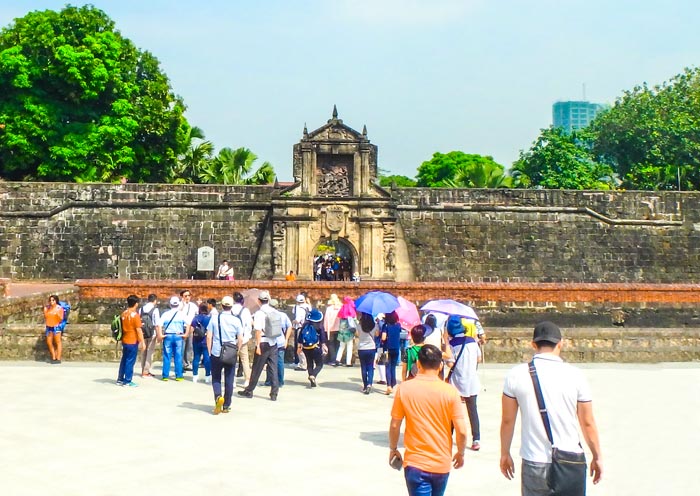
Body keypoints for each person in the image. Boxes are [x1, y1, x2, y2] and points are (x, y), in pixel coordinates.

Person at [500, 321, 603, 495]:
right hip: (569, 459)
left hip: (534, 460)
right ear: (560, 343)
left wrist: (505, 453)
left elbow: (508, 420)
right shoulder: (576, 375)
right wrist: (597, 456)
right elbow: (587, 422)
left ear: (533, 344)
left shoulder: (516, 375)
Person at [389, 344, 467, 496]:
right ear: (440, 365)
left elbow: (394, 424)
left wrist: (393, 449)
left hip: (415, 463)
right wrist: (461, 452)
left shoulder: (404, 389)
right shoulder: (450, 392)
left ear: (418, 364)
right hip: (441, 463)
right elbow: (462, 431)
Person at [445, 315, 482, 451]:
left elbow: (450, 363)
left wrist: (446, 346)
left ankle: (448, 437)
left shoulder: (452, 345)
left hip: (457, 381)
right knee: (473, 411)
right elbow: (478, 358)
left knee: (453, 412)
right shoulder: (472, 341)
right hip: (471, 380)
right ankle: (476, 439)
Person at [238, 290, 281, 401]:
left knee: (257, 368)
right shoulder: (274, 311)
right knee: (273, 368)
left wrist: (257, 346)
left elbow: (257, 331)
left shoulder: (259, 313)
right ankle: (274, 392)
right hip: (273, 342)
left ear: (259, 301)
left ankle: (249, 390)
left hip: (263, 342)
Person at [206, 295, 244, 414]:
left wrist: (209, 350)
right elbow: (240, 338)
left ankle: (218, 397)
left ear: (221, 306)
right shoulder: (236, 320)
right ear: (231, 306)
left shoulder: (215, 318)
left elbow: (209, 336)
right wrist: (237, 349)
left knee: (216, 378)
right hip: (231, 351)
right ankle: (227, 405)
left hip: (216, 352)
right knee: (229, 378)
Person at [157, 296, 190, 381]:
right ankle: (179, 375)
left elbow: (159, 324)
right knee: (178, 356)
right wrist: (186, 334)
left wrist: (160, 334)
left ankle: (165, 375)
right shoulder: (182, 314)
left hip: (168, 335)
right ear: (178, 304)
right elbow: (189, 323)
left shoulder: (166, 314)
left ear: (170, 304)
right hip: (178, 336)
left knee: (167, 356)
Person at [116, 294, 145, 387]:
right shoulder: (135, 315)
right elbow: (139, 330)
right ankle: (127, 380)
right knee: (130, 361)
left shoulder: (124, 313)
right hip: (133, 341)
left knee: (124, 360)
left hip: (125, 339)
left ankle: (120, 378)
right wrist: (142, 342)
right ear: (136, 304)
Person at [265, 299, 292, 388]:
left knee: (269, 361)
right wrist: (287, 339)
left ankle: (269, 380)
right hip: (281, 341)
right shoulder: (283, 315)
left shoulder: (267, 314)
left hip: (270, 341)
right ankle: (280, 381)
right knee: (280, 362)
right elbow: (289, 326)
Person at [297, 308, 327, 387]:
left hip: (306, 347)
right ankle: (313, 375)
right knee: (319, 364)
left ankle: (311, 378)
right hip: (316, 347)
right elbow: (323, 337)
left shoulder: (305, 325)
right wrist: (323, 345)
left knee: (309, 363)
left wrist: (299, 346)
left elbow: (300, 336)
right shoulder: (319, 326)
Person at [231, 292, 253, 387]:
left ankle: (232, 380)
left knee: (232, 360)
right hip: (243, 339)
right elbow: (248, 325)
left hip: (232, 338)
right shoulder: (245, 310)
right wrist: (247, 336)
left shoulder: (230, 309)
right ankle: (247, 379)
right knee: (245, 360)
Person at [381, 311, 402, 395]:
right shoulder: (398, 325)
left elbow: (383, 338)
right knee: (393, 367)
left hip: (387, 349)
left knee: (387, 367)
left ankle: (389, 386)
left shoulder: (385, 326)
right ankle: (393, 384)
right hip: (396, 348)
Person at [139, 293, 160, 378]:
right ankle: (146, 371)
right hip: (152, 333)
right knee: (149, 352)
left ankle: (142, 369)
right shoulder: (155, 310)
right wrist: (159, 335)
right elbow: (157, 323)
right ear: (155, 300)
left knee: (143, 351)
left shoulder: (141, 309)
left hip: (143, 332)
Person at [190, 303, 212, 384]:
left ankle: (195, 376)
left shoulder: (195, 318)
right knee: (207, 358)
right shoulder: (209, 318)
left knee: (196, 358)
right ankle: (207, 376)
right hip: (205, 340)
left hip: (196, 340)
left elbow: (191, 329)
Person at [356, 312, 377, 394]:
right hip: (371, 348)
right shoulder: (375, 325)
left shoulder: (359, 326)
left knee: (363, 367)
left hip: (361, 348)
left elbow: (357, 335)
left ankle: (365, 386)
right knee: (370, 367)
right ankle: (369, 384)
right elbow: (377, 334)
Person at [335, 296, 357, 367]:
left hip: (342, 330)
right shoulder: (351, 308)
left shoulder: (342, 308)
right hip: (349, 331)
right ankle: (348, 362)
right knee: (349, 346)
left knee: (341, 346)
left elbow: (339, 317)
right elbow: (354, 319)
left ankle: (337, 360)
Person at [179, 289, 198, 372]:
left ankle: (187, 363)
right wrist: (182, 304)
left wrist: (194, 326)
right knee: (181, 347)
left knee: (189, 346)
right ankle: (180, 364)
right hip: (181, 327)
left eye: (188, 295)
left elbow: (196, 315)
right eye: (185, 296)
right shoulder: (179, 305)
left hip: (190, 327)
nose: (187, 297)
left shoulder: (193, 306)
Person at [292, 294, 311, 371]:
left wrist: (293, 322)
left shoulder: (299, 308)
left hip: (300, 328)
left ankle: (303, 364)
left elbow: (297, 320)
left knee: (300, 346)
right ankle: (307, 363)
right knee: (307, 345)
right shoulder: (308, 306)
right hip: (308, 328)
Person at [43, 295, 64, 364]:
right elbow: (46, 316)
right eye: (50, 300)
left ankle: (58, 358)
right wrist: (47, 311)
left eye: (53, 300)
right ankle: (53, 356)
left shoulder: (59, 308)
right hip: (49, 326)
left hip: (56, 326)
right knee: (49, 342)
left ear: (56, 301)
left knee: (58, 342)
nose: (51, 302)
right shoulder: (47, 308)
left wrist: (57, 315)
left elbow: (61, 318)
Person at [323, 293, 342, 363]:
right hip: (339, 328)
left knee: (331, 345)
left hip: (330, 329)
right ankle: (337, 358)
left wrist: (325, 329)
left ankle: (333, 359)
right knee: (338, 344)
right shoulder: (340, 308)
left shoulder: (329, 309)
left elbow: (326, 320)